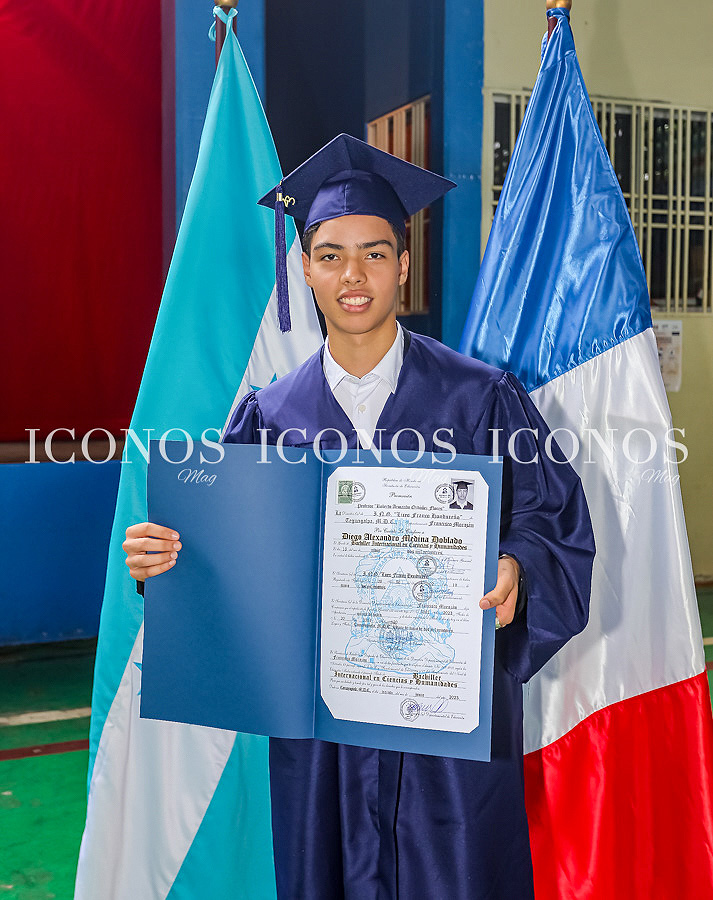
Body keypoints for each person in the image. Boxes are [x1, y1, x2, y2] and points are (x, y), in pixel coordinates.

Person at [123, 134, 595, 900]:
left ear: (403, 266)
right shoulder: (268, 418)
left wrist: (517, 567)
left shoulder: (480, 396)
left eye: (374, 254)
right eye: (330, 255)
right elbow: (228, 570)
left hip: (446, 733)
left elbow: (554, 525)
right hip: (323, 739)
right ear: (305, 270)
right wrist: (167, 566)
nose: (352, 276)